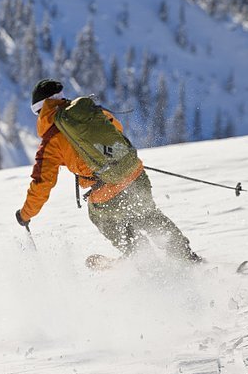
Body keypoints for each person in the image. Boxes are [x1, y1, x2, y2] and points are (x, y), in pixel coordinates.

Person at [15, 79, 201, 263]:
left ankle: (143, 259)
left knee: (103, 218)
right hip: (134, 172)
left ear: (40, 111)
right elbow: (116, 130)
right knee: (148, 215)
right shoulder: (87, 112)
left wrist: (25, 215)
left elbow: (42, 184)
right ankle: (186, 256)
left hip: (107, 192)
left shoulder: (50, 141)